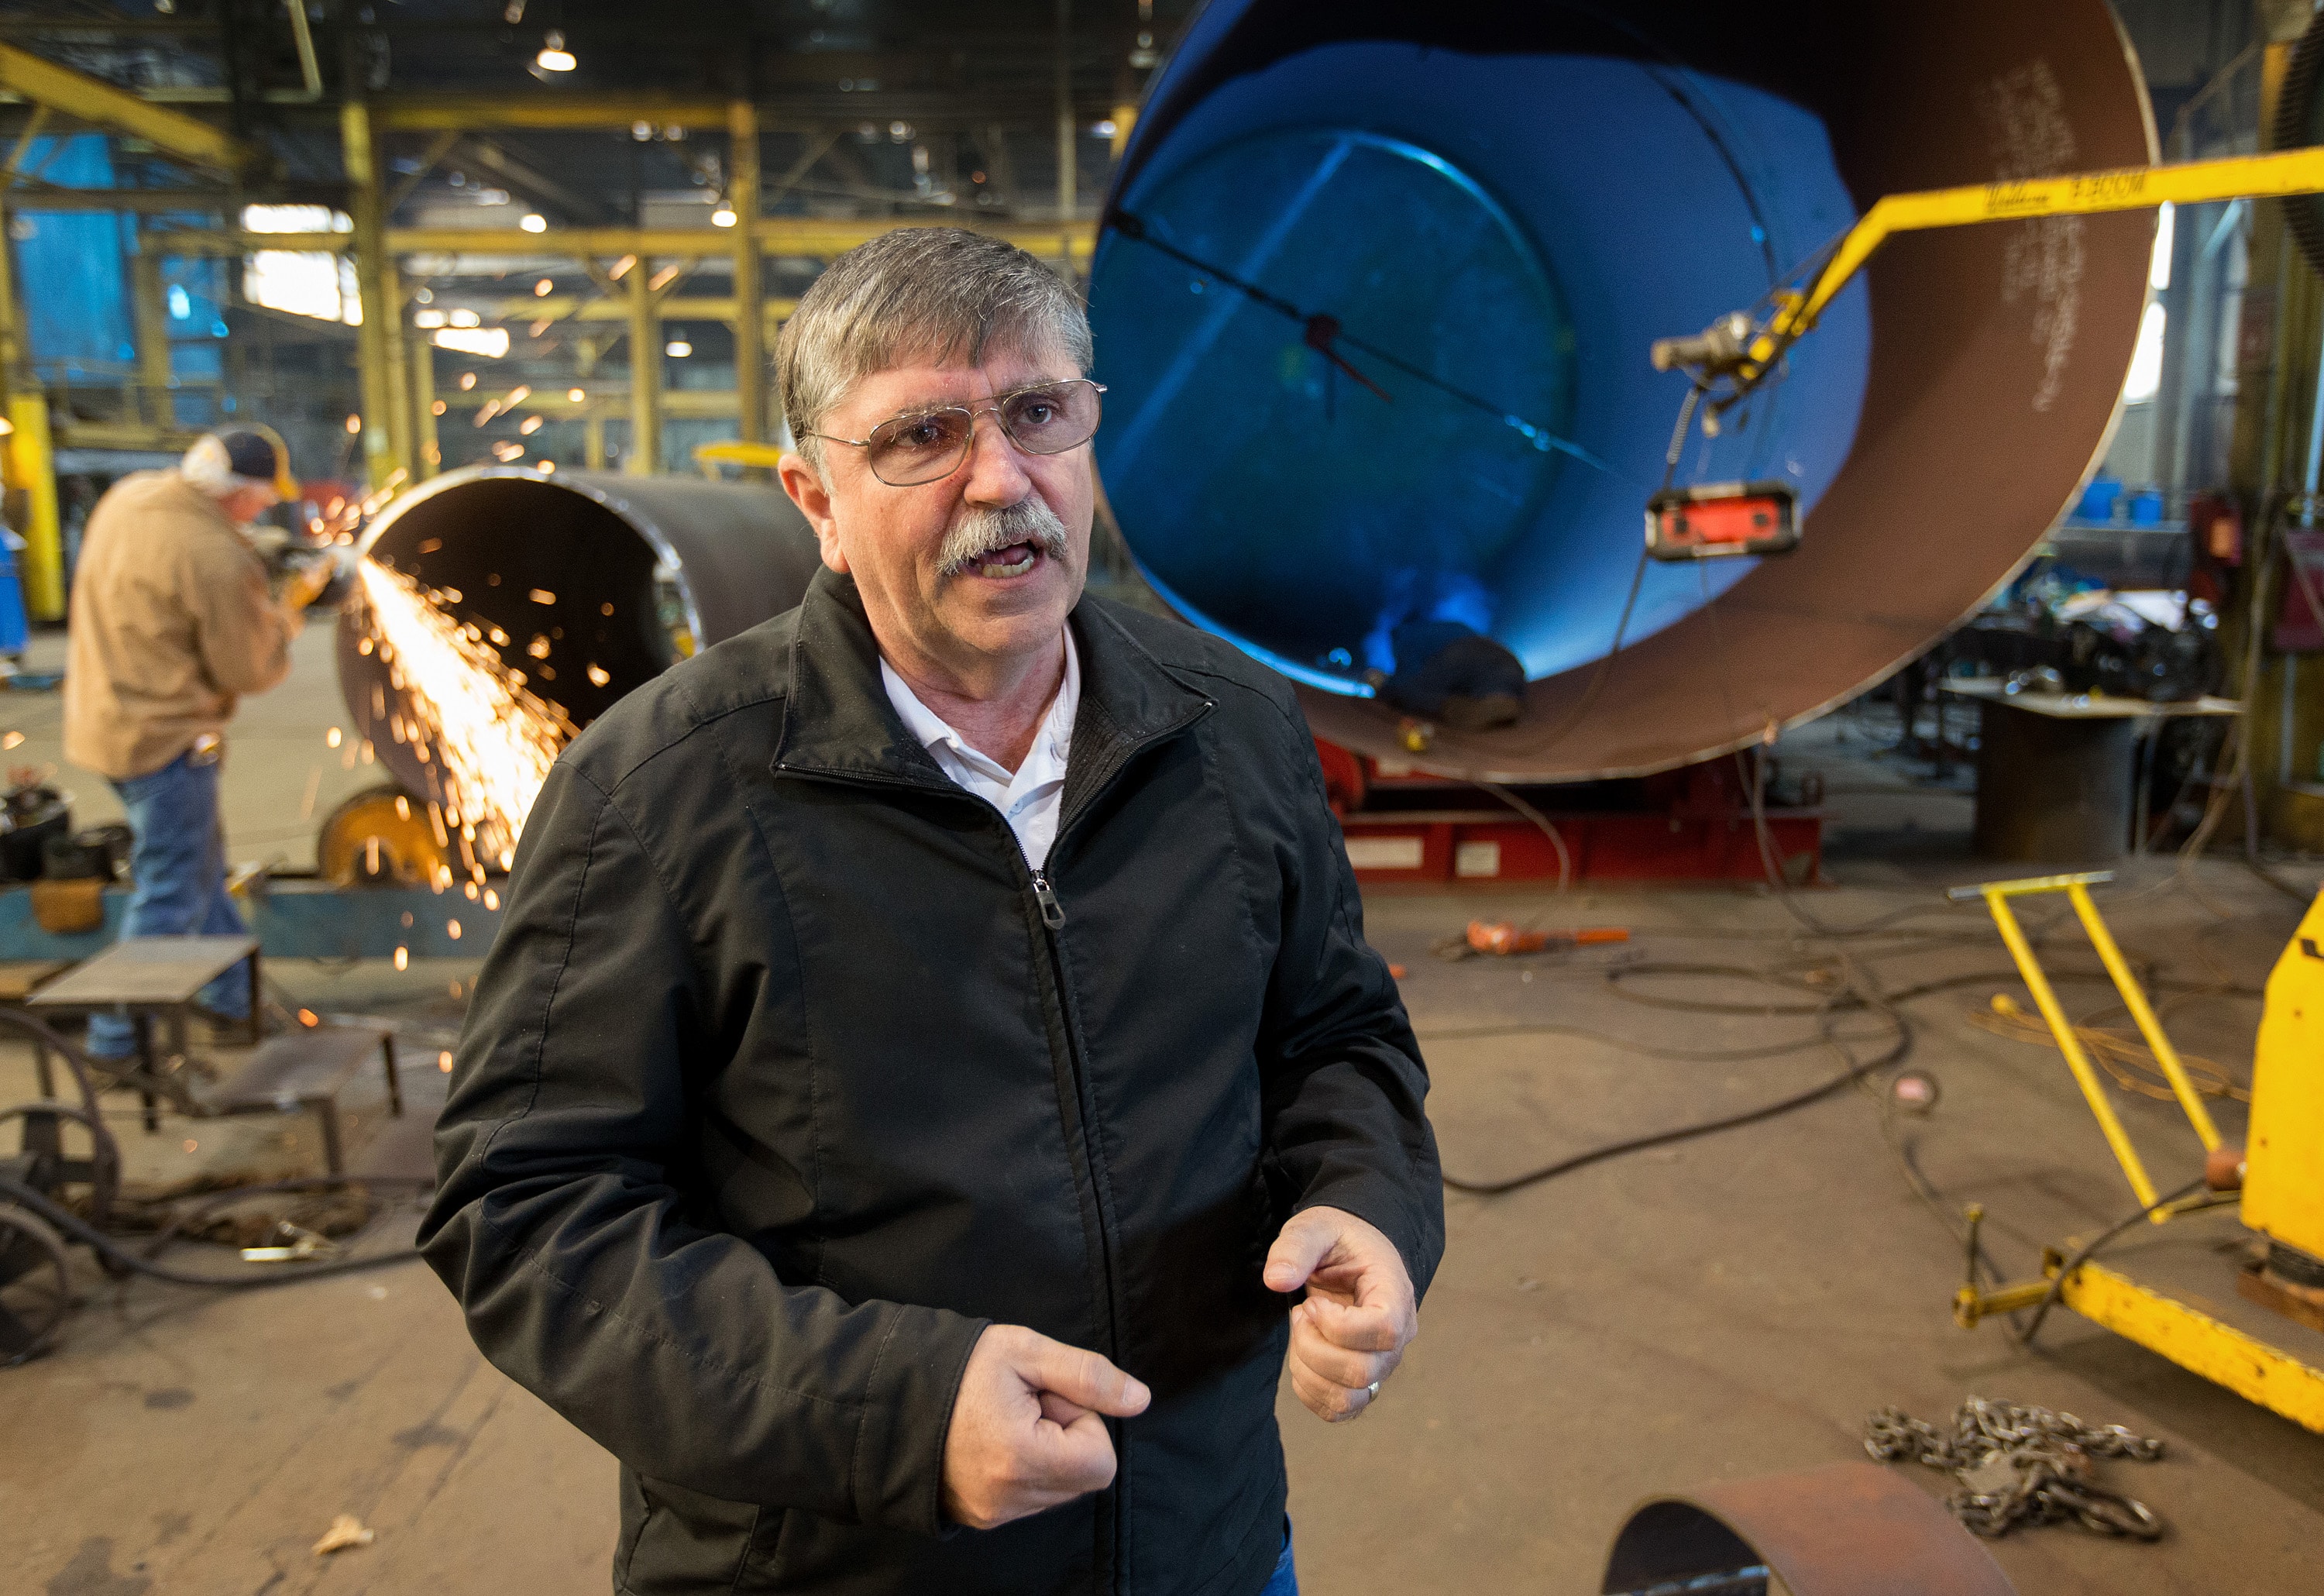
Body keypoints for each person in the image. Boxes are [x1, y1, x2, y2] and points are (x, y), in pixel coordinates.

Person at [421, 227, 1443, 1596]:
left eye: (1037, 414)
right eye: (921, 435)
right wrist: (894, 1408)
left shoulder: (1235, 730)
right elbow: (527, 1210)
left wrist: (1369, 1206)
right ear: (816, 502)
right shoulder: (658, 792)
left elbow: (1338, 1038)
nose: (1001, 479)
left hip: (1201, 1546)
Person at [62, 428, 327, 1058]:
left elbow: (178, 558)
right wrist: (292, 605)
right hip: (166, 742)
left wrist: (264, 550)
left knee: (201, 872)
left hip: (103, 724)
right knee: (172, 894)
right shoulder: (218, 560)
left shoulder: (133, 497)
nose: (265, 511)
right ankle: (116, 1040)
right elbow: (250, 670)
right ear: (236, 494)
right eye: (261, 501)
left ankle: (234, 1002)